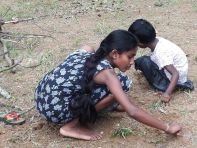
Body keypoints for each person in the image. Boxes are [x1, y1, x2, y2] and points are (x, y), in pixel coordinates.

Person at [35, 30, 181, 141]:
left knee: (87, 48)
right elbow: (132, 111)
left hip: (41, 96)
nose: (132, 61)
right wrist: (167, 127)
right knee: (122, 83)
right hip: (55, 110)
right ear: (115, 54)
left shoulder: (90, 54)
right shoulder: (107, 74)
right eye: (130, 56)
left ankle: (111, 104)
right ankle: (72, 126)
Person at [128, 19, 194, 103]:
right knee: (146, 59)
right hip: (178, 75)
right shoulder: (158, 41)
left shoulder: (161, 53)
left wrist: (167, 94)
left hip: (171, 81)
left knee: (143, 61)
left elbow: (175, 74)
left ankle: (162, 86)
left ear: (141, 43)